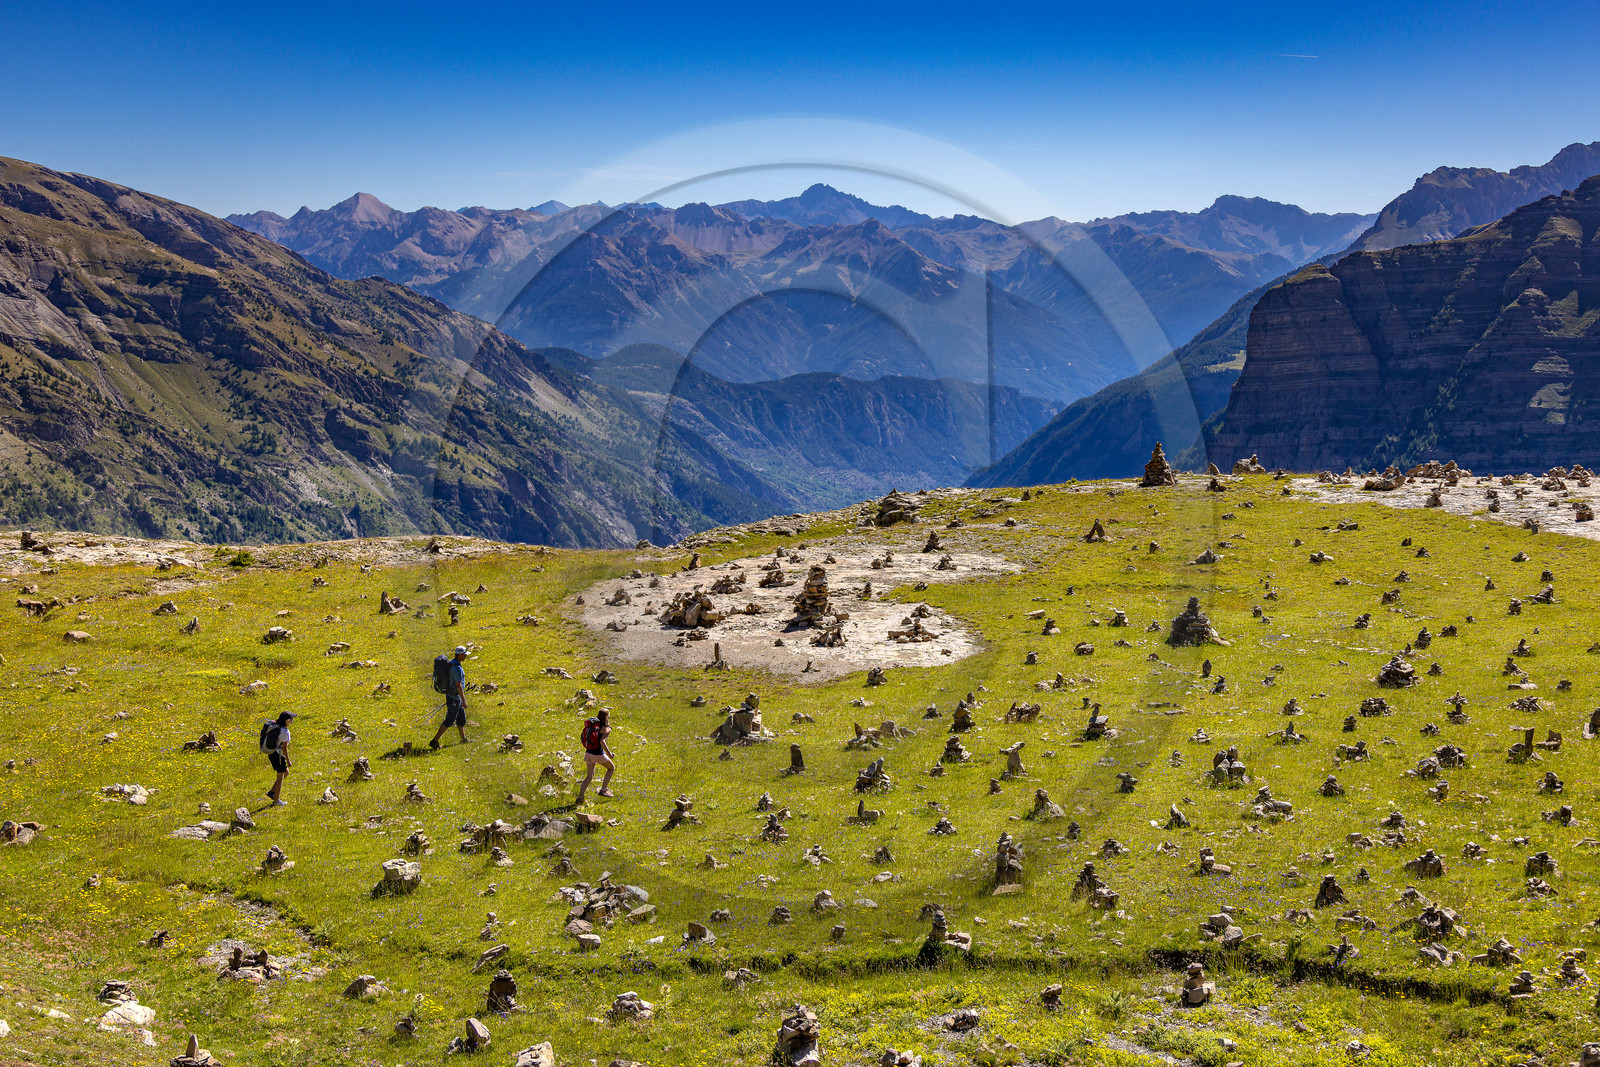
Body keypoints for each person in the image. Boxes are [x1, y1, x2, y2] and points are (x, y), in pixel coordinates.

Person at [430, 645, 470, 749]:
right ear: (460, 655)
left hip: (454, 697)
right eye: (464, 654)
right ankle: (434, 741)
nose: (466, 656)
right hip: (454, 697)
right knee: (450, 720)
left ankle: (463, 739)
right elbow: (458, 685)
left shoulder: (452, 663)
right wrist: (464, 701)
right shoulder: (456, 668)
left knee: (461, 718)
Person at [574, 707, 616, 803]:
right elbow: (602, 741)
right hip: (597, 754)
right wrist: (609, 754)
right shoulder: (606, 728)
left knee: (589, 776)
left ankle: (580, 798)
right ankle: (603, 790)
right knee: (611, 768)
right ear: (607, 716)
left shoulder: (594, 725)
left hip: (588, 753)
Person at [262, 710, 295, 806]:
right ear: (287, 721)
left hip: (272, 753)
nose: (292, 720)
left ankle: (272, 792)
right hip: (279, 755)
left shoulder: (276, 726)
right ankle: (276, 801)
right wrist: (288, 760)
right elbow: (284, 748)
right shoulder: (285, 732)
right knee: (280, 777)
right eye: (291, 719)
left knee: (286, 772)